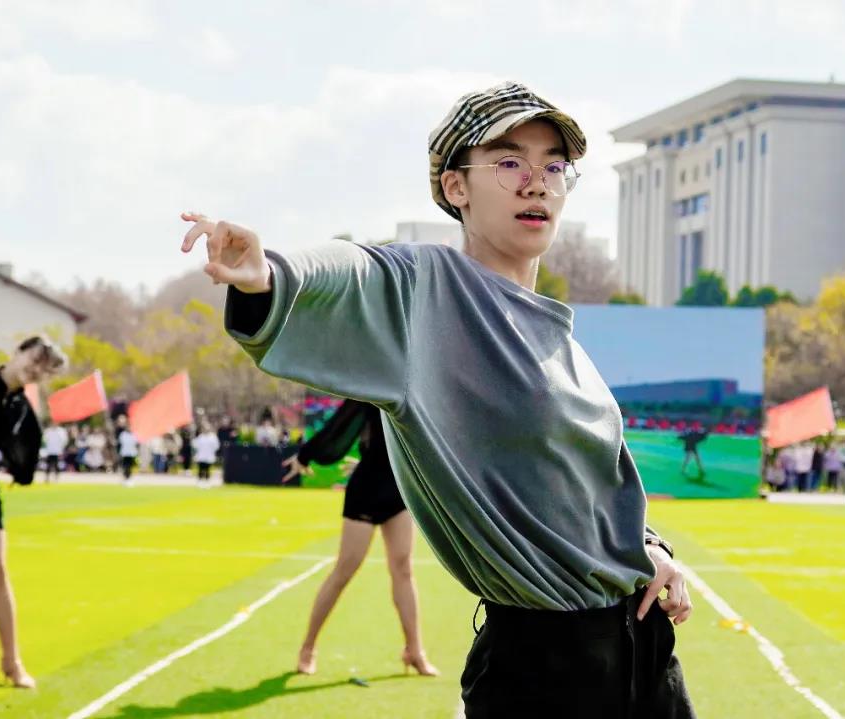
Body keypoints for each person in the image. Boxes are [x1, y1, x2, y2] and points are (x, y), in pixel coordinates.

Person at [180, 81, 695, 718]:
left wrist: (651, 548)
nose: (535, 184)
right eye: (509, 162)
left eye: (553, 167)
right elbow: (357, 268)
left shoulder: (555, 332)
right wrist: (271, 274)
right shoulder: (427, 290)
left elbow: (586, 481)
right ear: (456, 187)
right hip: (548, 674)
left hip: (643, 656)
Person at [281, 399, 437, 677]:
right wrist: (305, 456)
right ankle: (308, 648)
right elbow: (341, 424)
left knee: (403, 568)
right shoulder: (373, 386)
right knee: (345, 569)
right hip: (367, 489)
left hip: (400, 488)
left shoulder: (421, 390)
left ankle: (414, 651)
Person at [0, 336, 67, 688]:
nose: (35, 369)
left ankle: (12, 662)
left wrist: (20, 468)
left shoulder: (22, 409)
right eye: (34, 359)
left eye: (44, 369)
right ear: (17, 352)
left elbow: (25, 462)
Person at [191, 422, 221, 487]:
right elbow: (195, 445)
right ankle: (200, 481)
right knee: (201, 468)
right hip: (201, 456)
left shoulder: (213, 437)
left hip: (209, 456)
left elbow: (216, 446)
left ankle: (207, 481)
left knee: (207, 469)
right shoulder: (200, 436)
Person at [115, 416, 139, 486]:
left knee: (131, 467)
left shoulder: (134, 434)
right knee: (125, 467)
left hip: (132, 453)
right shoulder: (123, 434)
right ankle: (126, 478)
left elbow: (136, 443)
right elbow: (120, 444)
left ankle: (129, 478)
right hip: (125, 453)